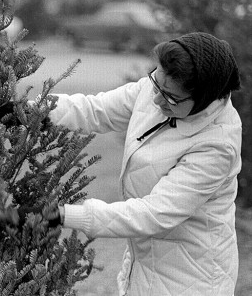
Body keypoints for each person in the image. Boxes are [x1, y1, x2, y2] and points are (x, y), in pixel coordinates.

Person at [43, 32, 241, 295]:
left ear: (202, 99)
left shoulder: (217, 145)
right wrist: (20, 110)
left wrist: (62, 215)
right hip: (147, 262)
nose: (156, 100)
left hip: (192, 277)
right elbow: (94, 110)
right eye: (155, 83)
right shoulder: (156, 89)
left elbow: (153, 213)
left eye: (170, 97)